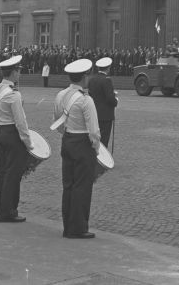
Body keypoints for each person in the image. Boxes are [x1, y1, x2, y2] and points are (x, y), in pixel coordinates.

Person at [53, 58, 100, 239]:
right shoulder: (86, 100)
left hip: (67, 139)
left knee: (68, 185)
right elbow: (94, 131)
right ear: (84, 77)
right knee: (82, 186)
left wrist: (65, 134)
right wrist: (95, 149)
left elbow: (57, 121)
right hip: (82, 143)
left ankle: (68, 226)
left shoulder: (60, 95)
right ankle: (78, 228)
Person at [0, 55, 32, 223]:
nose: (19, 73)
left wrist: (0, 124)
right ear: (13, 73)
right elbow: (21, 123)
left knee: (1, 172)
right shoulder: (14, 95)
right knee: (13, 174)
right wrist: (28, 143)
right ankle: (8, 211)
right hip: (12, 134)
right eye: (18, 71)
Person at [88, 57, 118, 148]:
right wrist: (115, 99)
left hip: (94, 114)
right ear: (108, 68)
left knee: (94, 139)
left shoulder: (92, 79)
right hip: (105, 116)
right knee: (103, 141)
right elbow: (110, 99)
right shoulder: (107, 80)